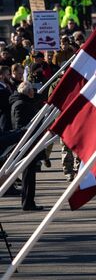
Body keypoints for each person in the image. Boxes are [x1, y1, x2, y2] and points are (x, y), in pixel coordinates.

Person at [10, 81, 43, 211]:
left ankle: (29, 201)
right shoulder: (21, 105)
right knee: (28, 174)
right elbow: (19, 126)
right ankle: (28, 202)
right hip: (26, 143)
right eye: (31, 90)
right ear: (27, 92)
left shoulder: (23, 102)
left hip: (29, 141)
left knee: (30, 174)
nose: (33, 92)